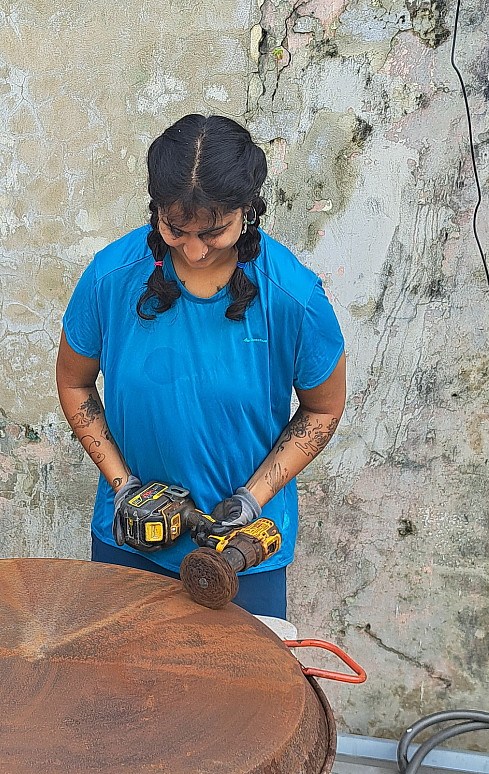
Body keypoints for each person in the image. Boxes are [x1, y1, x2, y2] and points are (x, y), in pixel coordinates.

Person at [56, 114, 345, 619]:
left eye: (214, 232)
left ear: (248, 212)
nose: (192, 249)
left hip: (243, 556)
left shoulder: (293, 297)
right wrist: (123, 487)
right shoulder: (111, 277)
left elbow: (323, 410)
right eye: (174, 228)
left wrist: (252, 500)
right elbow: (74, 382)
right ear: (156, 210)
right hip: (131, 545)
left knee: (239, 695)